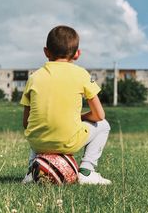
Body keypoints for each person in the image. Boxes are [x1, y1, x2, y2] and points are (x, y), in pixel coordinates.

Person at [20, 25, 111, 185]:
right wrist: (80, 118)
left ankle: (31, 171)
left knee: (38, 125)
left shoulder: (34, 77)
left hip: (37, 143)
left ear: (46, 51)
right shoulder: (81, 74)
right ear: (77, 54)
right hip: (69, 141)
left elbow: (26, 122)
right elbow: (99, 115)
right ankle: (86, 172)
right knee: (103, 125)